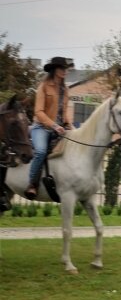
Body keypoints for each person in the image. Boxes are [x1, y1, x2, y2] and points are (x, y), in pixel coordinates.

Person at [26, 56, 74, 199]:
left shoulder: (65, 90)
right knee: (41, 151)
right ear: (54, 70)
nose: (65, 71)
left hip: (59, 129)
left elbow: (64, 113)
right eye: (62, 68)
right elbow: (38, 112)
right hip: (41, 128)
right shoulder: (43, 86)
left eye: (66, 69)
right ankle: (32, 184)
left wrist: (70, 127)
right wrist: (53, 125)